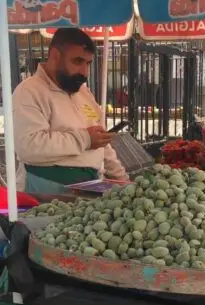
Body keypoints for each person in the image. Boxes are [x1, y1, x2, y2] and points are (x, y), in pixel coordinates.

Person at [12, 28, 127, 193]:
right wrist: (85, 139)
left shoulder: (84, 93)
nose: (84, 72)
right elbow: (29, 146)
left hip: (90, 187)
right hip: (44, 190)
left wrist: (122, 179)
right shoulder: (29, 91)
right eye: (77, 61)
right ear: (55, 56)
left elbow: (102, 143)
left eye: (88, 63)